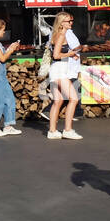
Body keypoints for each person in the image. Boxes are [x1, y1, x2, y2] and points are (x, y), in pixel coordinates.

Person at [47, 12, 83, 140]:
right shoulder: (61, 35)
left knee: (58, 101)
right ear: (62, 23)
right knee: (73, 99)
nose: (71, 23)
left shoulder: (55, 34)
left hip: (56, 69)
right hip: (59, 70)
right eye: (68, 21)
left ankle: (52, 131)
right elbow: (56, 55)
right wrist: (70, 53)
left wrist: (69, 53)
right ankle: (67, 130)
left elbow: (56, 52)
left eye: (71, 21)